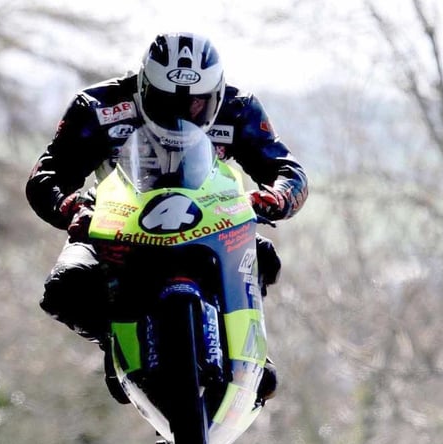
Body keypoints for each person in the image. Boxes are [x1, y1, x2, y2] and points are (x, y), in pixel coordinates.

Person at [26, 32, 308, 404]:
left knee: (263, 256)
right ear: (144, 85)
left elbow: (287, 170)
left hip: (211, 218)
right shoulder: (97, 106)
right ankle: (115, 342)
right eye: (166, 100)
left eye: (196, 103)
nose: (182, 112)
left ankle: (246, 349)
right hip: (119, 222)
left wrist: (276, 197)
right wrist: (70, 209)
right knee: (65, 287)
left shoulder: (239, 108)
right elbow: (47, 175)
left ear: (217, 93)